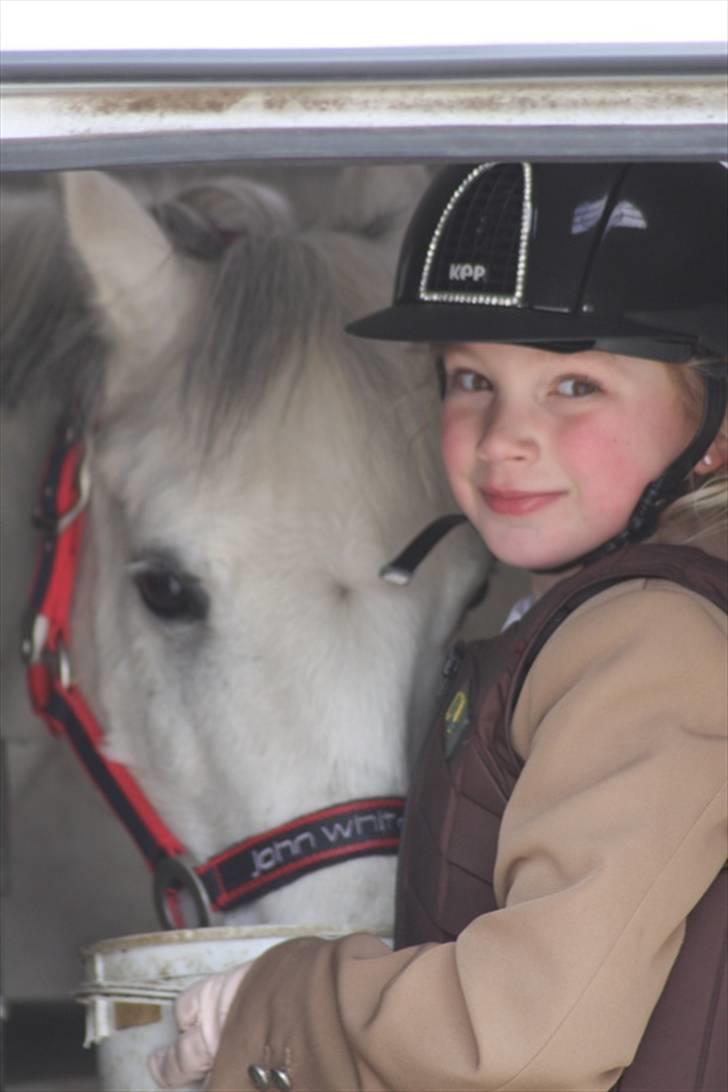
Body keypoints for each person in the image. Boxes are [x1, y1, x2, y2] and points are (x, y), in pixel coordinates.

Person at [149, 161, 727, 1092]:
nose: (503, 435)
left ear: (718, 429)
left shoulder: (651, 637)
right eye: (470, 377)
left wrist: (284, 1007)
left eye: (574, 385)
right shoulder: (595, 612)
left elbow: (529, 1036)